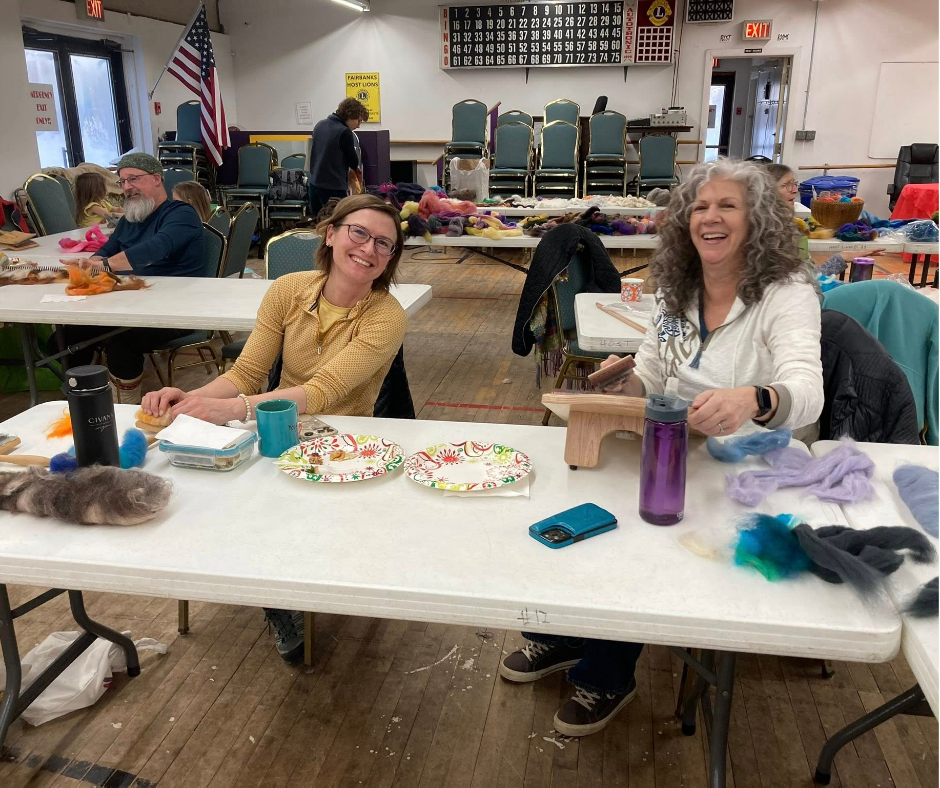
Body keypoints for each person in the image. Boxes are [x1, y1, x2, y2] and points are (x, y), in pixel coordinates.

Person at [499, 159, 825, 738]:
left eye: (728, 205)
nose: (710, 217)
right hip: (670, 442)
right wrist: (623, 384)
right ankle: (571, 632)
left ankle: (607, 671)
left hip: (746, 461)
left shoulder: (786, 293)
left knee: (637, 540)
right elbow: (654, 371)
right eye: (699, 207)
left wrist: (755, 397)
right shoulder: (679, 289)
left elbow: (807, 391)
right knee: (572, 507)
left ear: (760, 220)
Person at [142, 193, 407, 662]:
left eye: (384, 244)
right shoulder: (287, 290)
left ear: (390, 259)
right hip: (271, 429)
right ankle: (275, 591)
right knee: (206, 490)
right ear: (331, 234)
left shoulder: (387, 316)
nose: (368, 249)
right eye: (358, 233)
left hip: (341, 440)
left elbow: (324, 391)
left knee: (266, 509)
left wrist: (234, 409)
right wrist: (196, 398)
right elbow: (245, 372)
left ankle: (284, 592)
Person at [54, 152, 206, 404]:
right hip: (132, 302)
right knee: (67, 334)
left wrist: (102, 265)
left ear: (157, 179)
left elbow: (153, 250)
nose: (126, 187)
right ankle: (82, 400)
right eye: (122, 181)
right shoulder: (131, 219)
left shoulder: (181, 214)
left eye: (133, 179)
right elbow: (108, 249)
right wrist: (89, 262)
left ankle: (124, 407)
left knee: (123, 341)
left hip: (177, 309)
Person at [308, 97, 369, 217]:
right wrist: (357, 171)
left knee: (318, 222)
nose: (359, 126)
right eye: (359, 120)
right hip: (333, 188)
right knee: (337, 222)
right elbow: (352, 160)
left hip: (314, 184)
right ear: (351, 115)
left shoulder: (319, 125)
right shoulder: (344, 132)